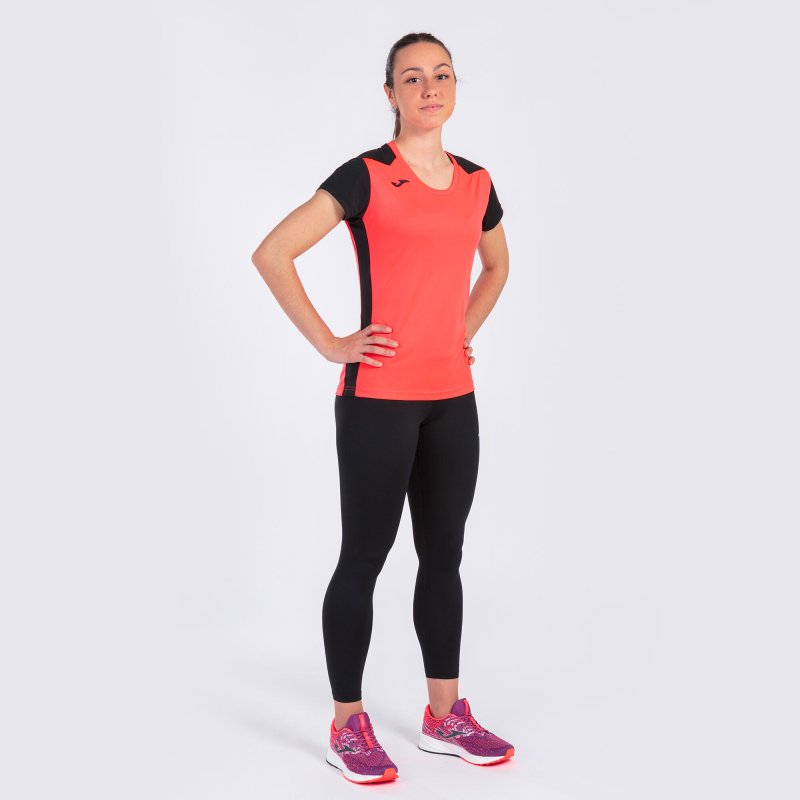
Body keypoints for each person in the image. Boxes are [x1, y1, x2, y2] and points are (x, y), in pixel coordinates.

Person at [251, 32, 514, 784]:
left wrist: (459, 333)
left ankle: (443, 716)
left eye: (442, 75)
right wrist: (333, 344)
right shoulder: (366, 176)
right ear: (391, 93)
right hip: (378, 403)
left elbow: (497, 265)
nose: (430, 88)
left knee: (444, 556)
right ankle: (347, 726)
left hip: (452, 401)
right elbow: (272, 252)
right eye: (413, 77)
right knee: (364, 559)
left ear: (455, 86)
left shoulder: (476, 181)